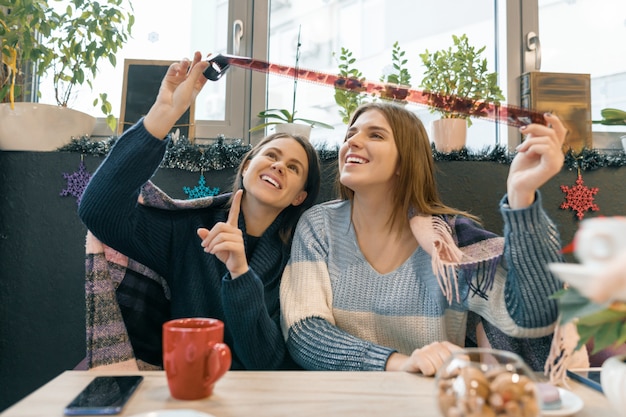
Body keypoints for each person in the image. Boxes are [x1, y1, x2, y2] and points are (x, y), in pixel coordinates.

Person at [280, 101, 567, 375]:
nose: (351, 142)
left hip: (435, 401)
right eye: (350, 134)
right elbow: (304, 332)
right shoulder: (319, 226)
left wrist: (521, 195)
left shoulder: (451, 245)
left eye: (376, 135)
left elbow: (533, 317)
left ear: (405, 162)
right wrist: (399, 363)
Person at [78, 51, 321, 370]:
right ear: (247, 167)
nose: (278, 165)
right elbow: (99, 211)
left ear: (299, 197)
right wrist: (166, 112)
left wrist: (240, 274)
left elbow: (268, 362)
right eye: (271, 155)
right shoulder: (191, 230)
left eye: (293, 167)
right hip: (184, 391)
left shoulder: (297, 258)